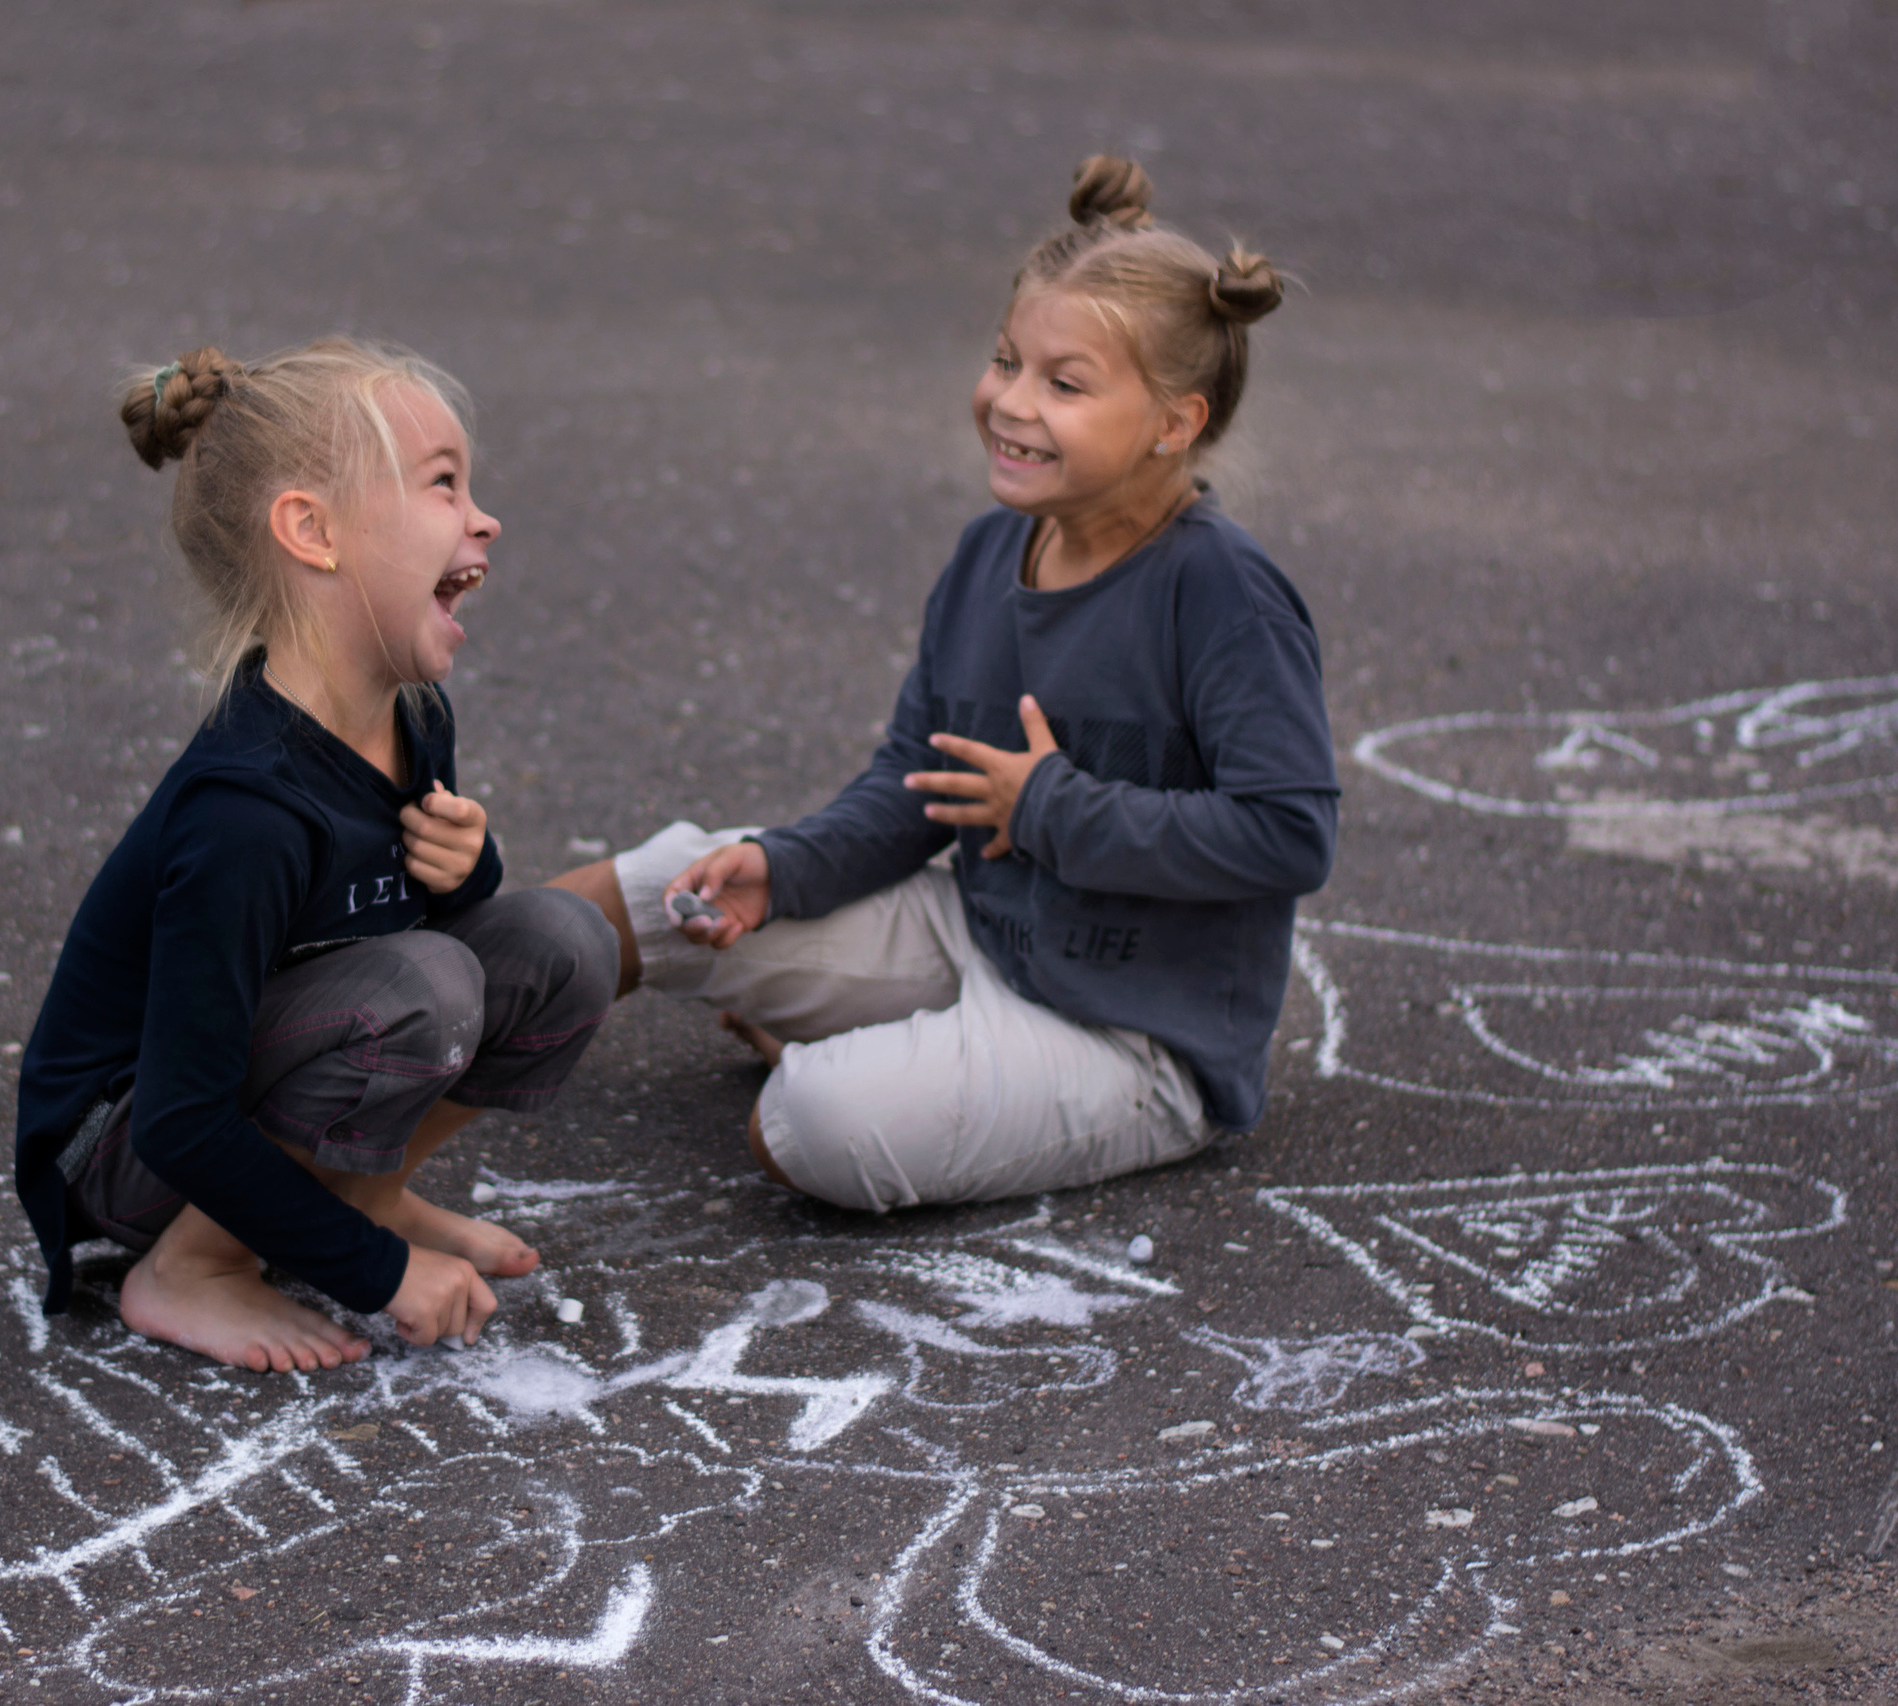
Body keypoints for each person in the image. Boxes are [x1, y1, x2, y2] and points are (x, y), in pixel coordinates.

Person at [553, 157, 1336, 1214]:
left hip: (1131, 1034)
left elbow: (1289, 833)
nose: (1010, 402)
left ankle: (890, 1060)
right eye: (1005, 360)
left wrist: (1050, 806)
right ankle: (390, 1026)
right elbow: (915, 781)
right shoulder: (988, 553)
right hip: (978, 929)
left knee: (812, 1122)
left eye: (1063, 383)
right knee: (660, 893)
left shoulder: (1221, 592)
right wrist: (785, 865)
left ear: (1174, 422)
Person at [15, 339, 619, 1372]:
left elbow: (414, 926)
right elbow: (179, 1115)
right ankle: (191, 1268)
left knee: (565, 939)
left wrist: (464, 869)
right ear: (312, 530)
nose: (483, 517)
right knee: (419, 987)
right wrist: (371, 1272)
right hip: (128, 1143)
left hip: (280, 1051)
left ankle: (364, 1190)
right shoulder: (245, 807)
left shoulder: (412, 713)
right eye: (443, 485)